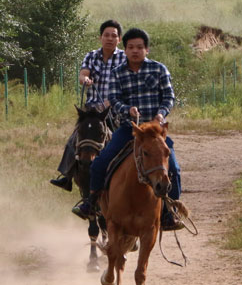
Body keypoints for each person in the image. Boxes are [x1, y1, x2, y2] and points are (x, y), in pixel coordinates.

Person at [74, 28, 183, 232]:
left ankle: (170, 212)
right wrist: (127, 109)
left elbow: (169, 96)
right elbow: (114, 100)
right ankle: (91, 203)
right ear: (125, 50)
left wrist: (161, 113)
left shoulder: (159, 70)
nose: (135, 51)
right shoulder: (118, 73)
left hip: (155, 131)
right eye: (131, 47)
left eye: (140, 47)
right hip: (129, 130)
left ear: (147, 49)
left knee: (174, 169)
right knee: (99, 164)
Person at [49, 20, 127, 192]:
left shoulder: (125, 58)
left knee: (128, 142)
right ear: (100, 37)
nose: (109, 39)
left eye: (113, 36)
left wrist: (112, 101)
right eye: (106, 35)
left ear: (119, 39)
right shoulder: (91, 56)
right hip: (92, 112)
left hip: (116, 111)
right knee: (73, 140)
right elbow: (83, 74)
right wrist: (85, 80)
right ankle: (67, 176)